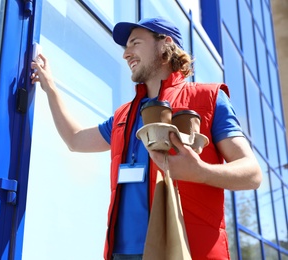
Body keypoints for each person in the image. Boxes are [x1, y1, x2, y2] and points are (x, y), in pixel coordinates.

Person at [31, 17, 262, 260]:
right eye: (126, 47)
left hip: (187, 250)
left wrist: (201, 171)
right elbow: (75, 140)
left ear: (165, 44)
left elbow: (252, 174)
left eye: (135, 43)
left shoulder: (210, 98)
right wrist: (50, 87)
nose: (126, 54)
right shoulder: (123, 115)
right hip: (122, 253)